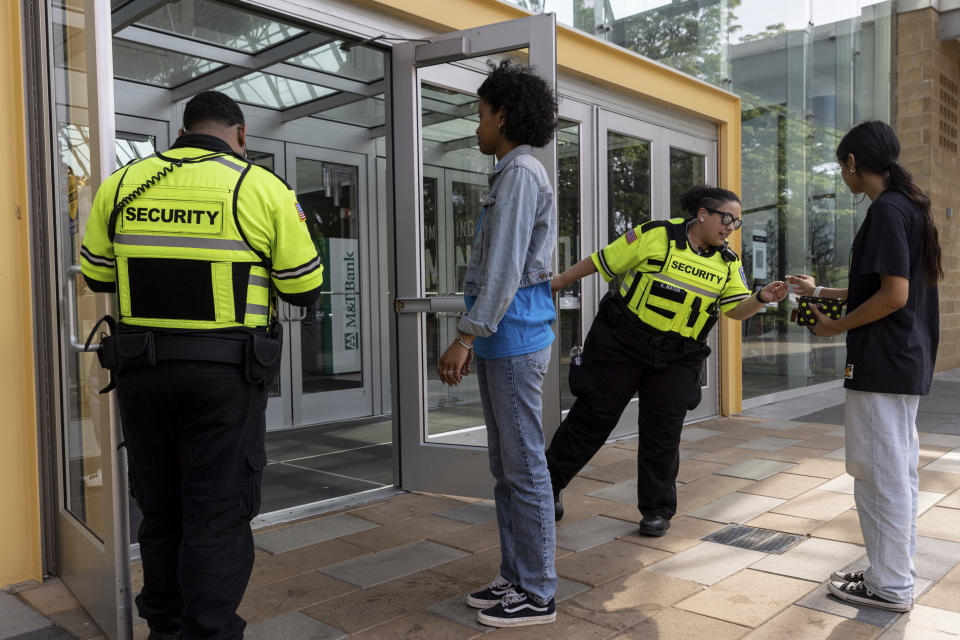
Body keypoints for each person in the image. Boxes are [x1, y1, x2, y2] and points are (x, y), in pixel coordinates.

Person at [80, 91, 323, 640]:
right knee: (217, 514)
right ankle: (209, 633)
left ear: (185, 129)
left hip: (142, 374)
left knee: (161, 512)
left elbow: (97, 275)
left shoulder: (124, 183)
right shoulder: (260, 187)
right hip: (224, 379)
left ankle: (164, 628)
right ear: (239, 133)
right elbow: (304, 288)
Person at [546, 185, 788, 535]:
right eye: (726, 219)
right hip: (622, 342)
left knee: (663, 432)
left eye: (736, 223)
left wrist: (762, 297)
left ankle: (657, 510)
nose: (730, 228)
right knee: (593, 417)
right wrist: (559, 281)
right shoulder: (656, 234)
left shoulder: (727, 263)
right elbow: (603, 260)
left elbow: (736, 310)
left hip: (679, 355)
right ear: (702, 214)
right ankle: (546, 487)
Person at [787, 121, 941, 613]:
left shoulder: (886, 211)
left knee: (879, 474)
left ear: (854, 163)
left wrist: (835, 327)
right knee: (892, 472)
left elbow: (893, 297)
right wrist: (821, 294)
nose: (843, 175)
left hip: (883, 363)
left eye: (842, 166)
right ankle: (887, 573)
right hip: (900, 361)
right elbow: (884, 287)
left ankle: (890, 585)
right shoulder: (907, 206)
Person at [437, 60, 558, 628]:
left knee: (525, 467)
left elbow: (504, 270)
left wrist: (465, 336)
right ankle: (515, 575)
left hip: (511, 339)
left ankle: (537, 592)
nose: (476, 125)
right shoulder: (511, 174)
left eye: (480, 114)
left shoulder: (520, 175)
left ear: (503, 115)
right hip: (502, 341)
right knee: (507, 467)